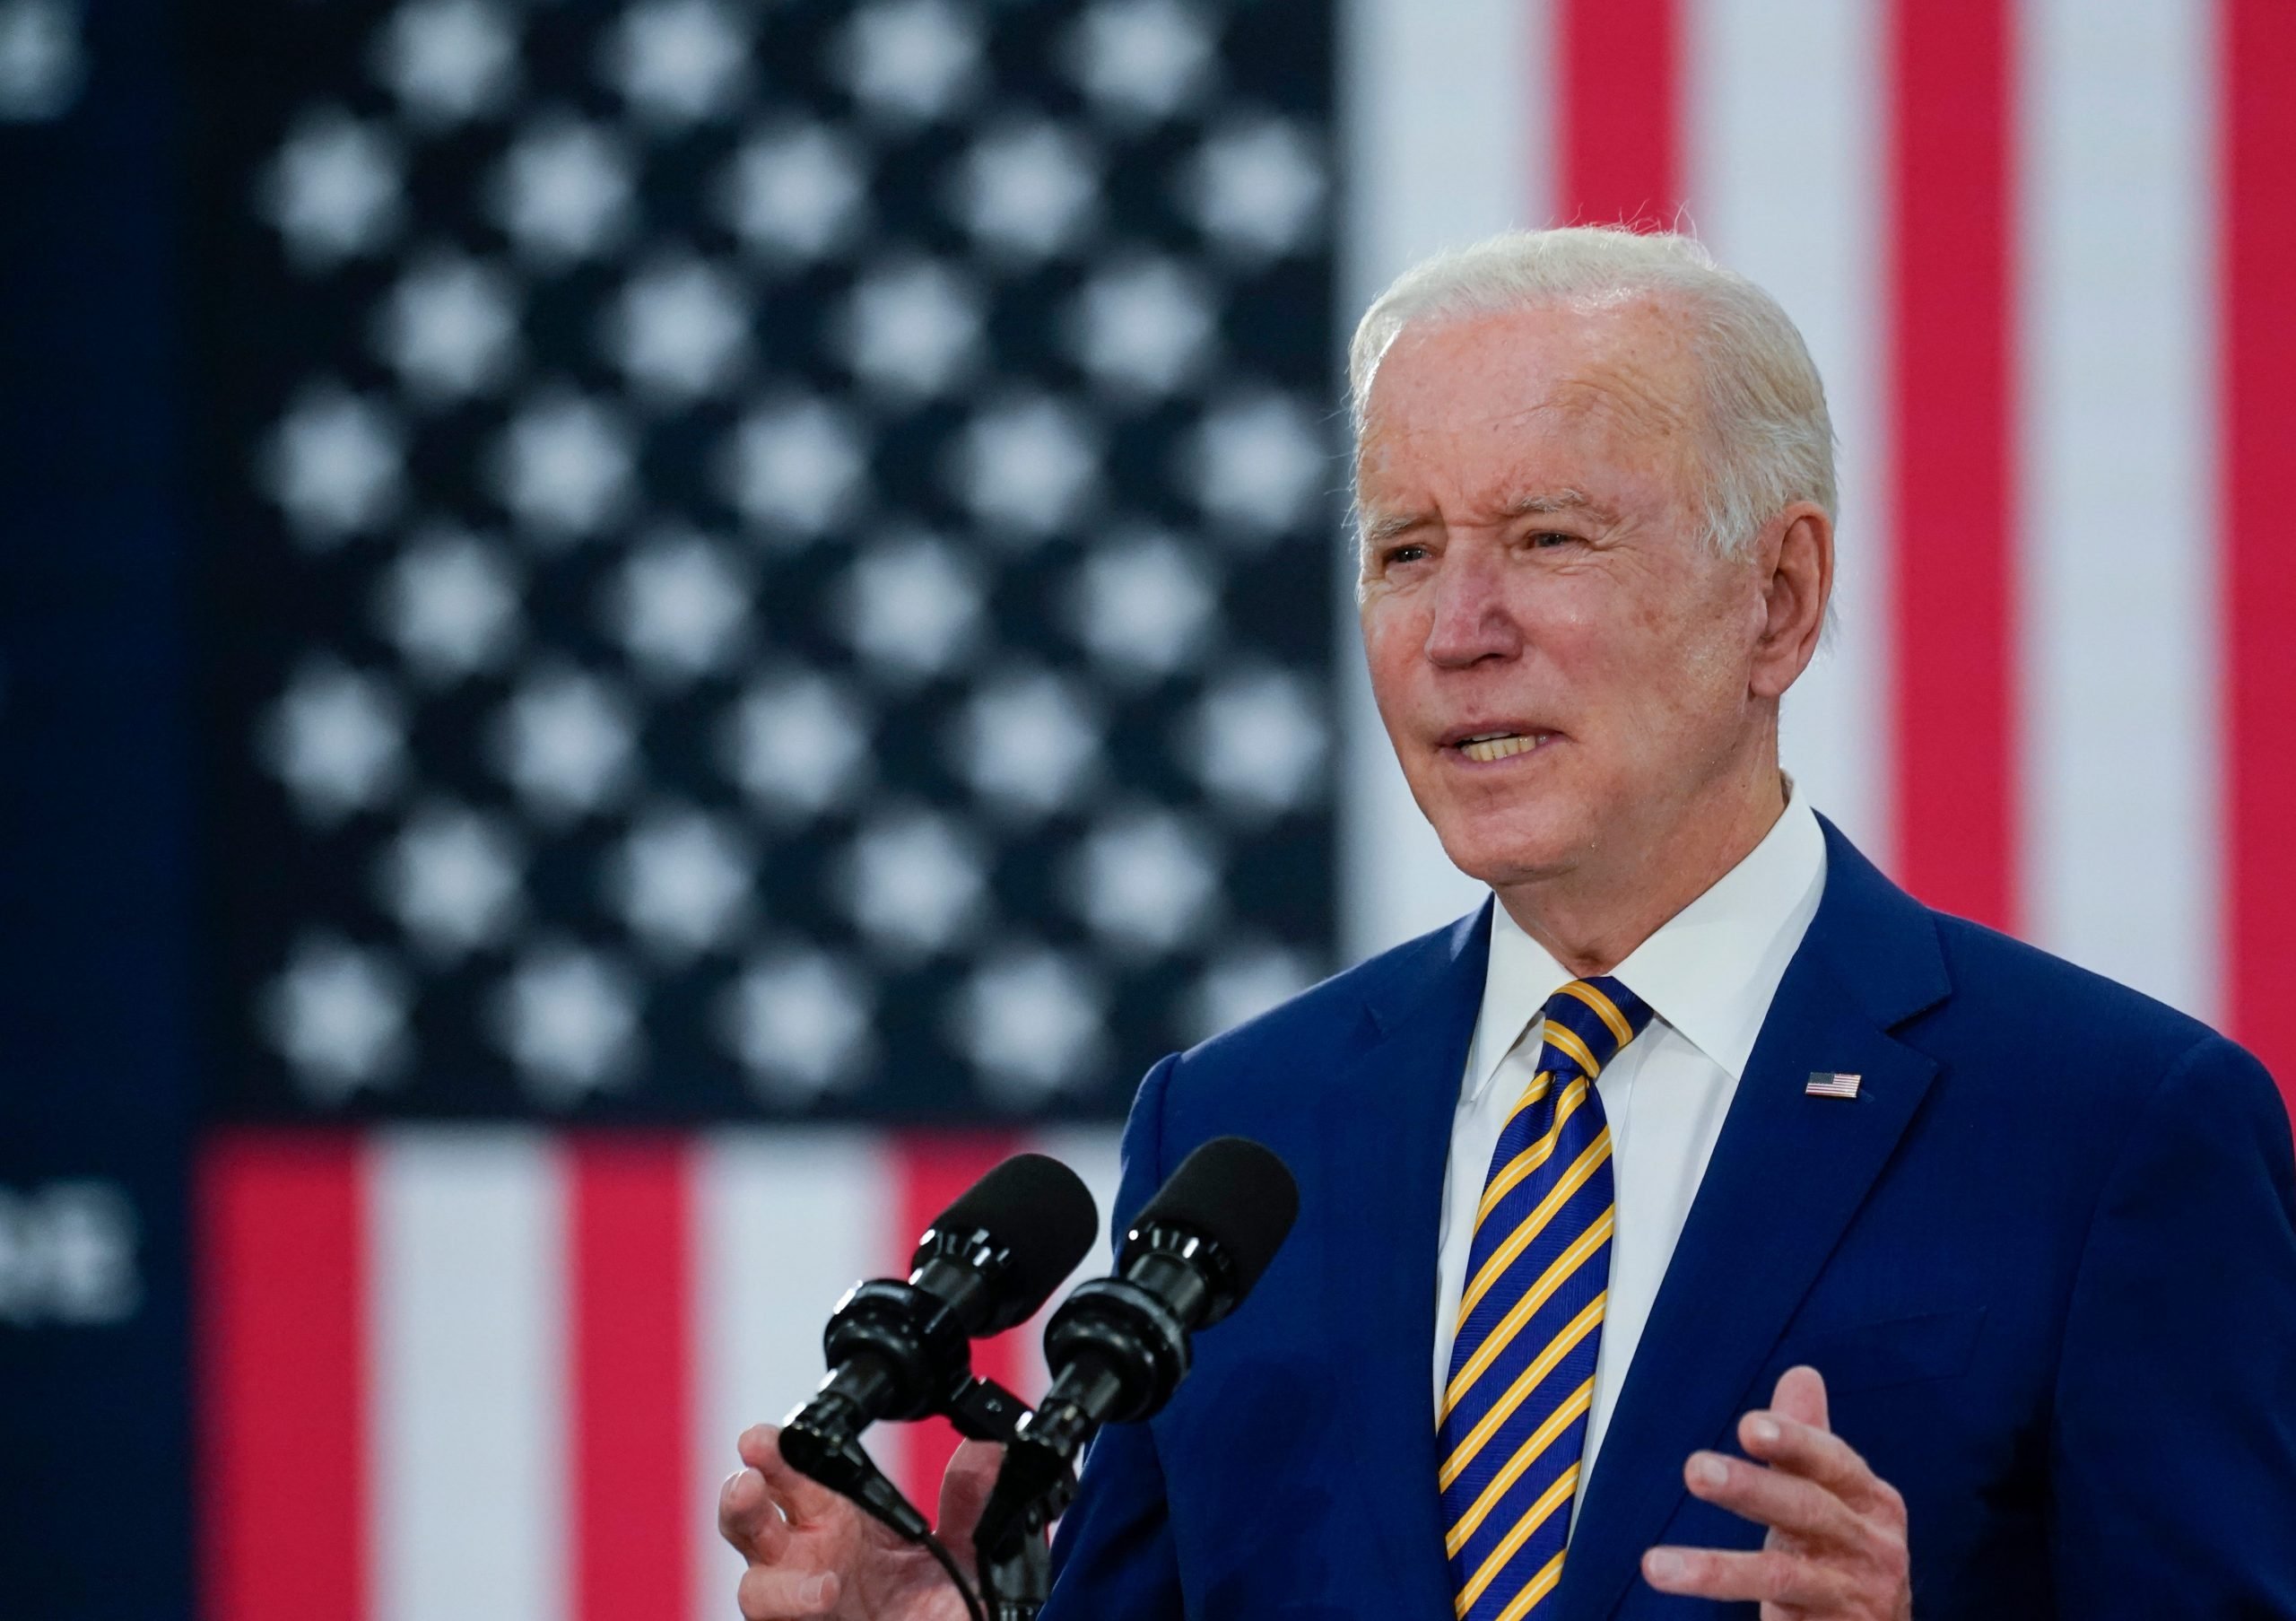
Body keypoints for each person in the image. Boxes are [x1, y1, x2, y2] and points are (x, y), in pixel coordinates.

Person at [718, 227, 2296, 1619]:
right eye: (1407, 552)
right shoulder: (1245, 1127)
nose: (1459, 632)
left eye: (1549, 538)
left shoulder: (2112, 1134)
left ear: (1782, 601)